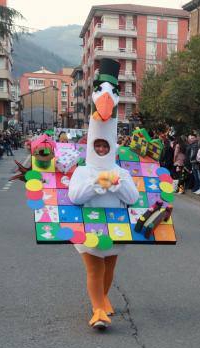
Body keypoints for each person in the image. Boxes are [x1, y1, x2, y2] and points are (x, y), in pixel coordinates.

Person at [68, 59, 139, 330]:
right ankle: (97, 309)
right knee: (94, 269)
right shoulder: (83, 171)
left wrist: (117, 182)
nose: (100, 149)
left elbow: (132, 198)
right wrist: (98, 182)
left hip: (116, 225)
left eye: (104, 146)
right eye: (96, 145)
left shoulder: (122, 171)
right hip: (90, 226)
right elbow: (75, 197)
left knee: (109, 268)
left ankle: (103, 299)